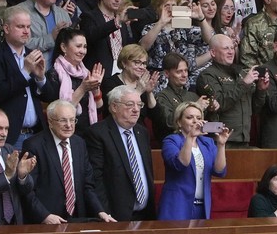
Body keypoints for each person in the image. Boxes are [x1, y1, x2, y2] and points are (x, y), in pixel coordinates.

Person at [22, 100, 115, 224]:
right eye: (63, 120)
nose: (69, 125)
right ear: (50, 121)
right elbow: (28, 189)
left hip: (77, 218)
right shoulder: (34, 145)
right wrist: (45, 216)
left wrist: (100, 211)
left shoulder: (79, 143)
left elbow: (87, 185)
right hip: (48, 220)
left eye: (72, 120)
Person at [0, 7, 56, 150]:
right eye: (20, 26)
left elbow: (50, 97)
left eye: (28, 27)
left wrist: (41, 78)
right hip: (9, 136)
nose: (26, 31)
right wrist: (25, 71)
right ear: (6, 28)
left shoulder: (32, 54)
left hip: (36, 134)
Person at [86, 85, 156, 221]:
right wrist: (104, 212)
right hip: (114, 217)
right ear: (114, 107)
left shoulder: (142, 132)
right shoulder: (98, 133)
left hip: (146, 215)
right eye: (130, 104)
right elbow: (96, 179)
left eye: (139, 105)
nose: (136, 109)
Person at [158, 102, 229, 220]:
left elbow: (219, 171)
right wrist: (190, 137)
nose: (195, 121)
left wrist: (221, 145)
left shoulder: (207, 142)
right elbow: (180, 164)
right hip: (176, 206)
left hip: (202, 207)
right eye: (190, 117)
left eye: (199, 118)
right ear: (179, 122)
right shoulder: (171, 141)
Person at [196, 34, 268, 148]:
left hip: (244, 138)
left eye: (232, 48)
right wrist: (244, 84)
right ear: (213, 53)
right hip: (221, 139)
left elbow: (256, 108)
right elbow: (219, 103)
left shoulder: (241, 74)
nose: (231, 52)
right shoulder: (207, 75)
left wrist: (261, 89)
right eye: (226, 48)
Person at [140, 0, 213, 91]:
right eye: (166, 5)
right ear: (157, 8)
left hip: (182, 79)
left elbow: (209, 39)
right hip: (159, 80)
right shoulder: (150, 28)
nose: (170, 9)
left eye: (174, 6)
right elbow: (143, 47)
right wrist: (161, 23)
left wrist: (201, 18)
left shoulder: (183, 26)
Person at [47, 28, 104, 137]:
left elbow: (99, 108)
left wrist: (96, 88)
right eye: (78, 46)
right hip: (67, 134)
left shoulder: (85, 73)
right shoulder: (54, 74)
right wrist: (82, 88)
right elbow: (61, 112)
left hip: (89, 132)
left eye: (85, 47)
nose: (83, 51)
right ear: (63, 47)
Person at [79, 0, 134, 78]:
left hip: (122, 74)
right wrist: (116, 23)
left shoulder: (121, 18)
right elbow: (91, 36)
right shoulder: (88, 16)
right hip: (99, 75)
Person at [156, 53, 215, 139]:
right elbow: (168, 122)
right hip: (175, 142)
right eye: (179, 71)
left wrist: (211, 110)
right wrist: (196, 106)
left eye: (186, 71)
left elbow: (208, 127)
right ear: (167, 73)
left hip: (197, 141)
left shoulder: (193, 96)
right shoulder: (162, 97)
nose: (184, 75)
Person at [20, 0, 73, 69]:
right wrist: (51, 38)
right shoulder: (19, 12)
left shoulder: (63, 14)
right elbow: (21, 44)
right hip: (34, 73)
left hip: (62, 74)